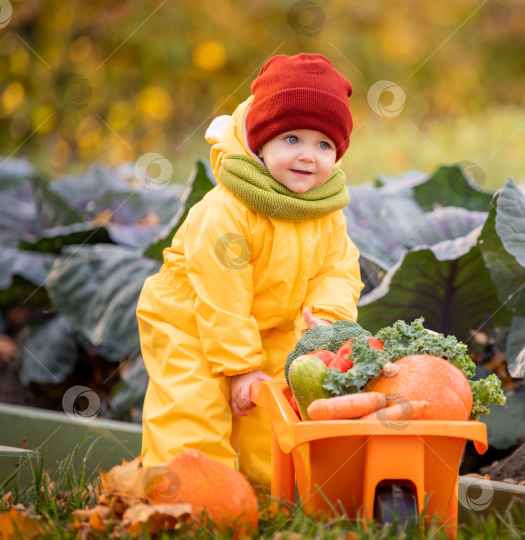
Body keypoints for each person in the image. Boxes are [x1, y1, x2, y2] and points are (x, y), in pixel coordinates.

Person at [136, 53, 364, 487]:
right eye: (292, 139)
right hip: (192, 320)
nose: (308, 157)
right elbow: (221, 292)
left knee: (275, 407)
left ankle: (266, 492)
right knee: (194, 410)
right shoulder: (229, 209)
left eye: (324, 145)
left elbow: (338, 268)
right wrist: (240, 367)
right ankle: (191, 496)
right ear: (260, 142)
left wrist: (326, 322)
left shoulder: (325, 211)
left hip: (271, 322)